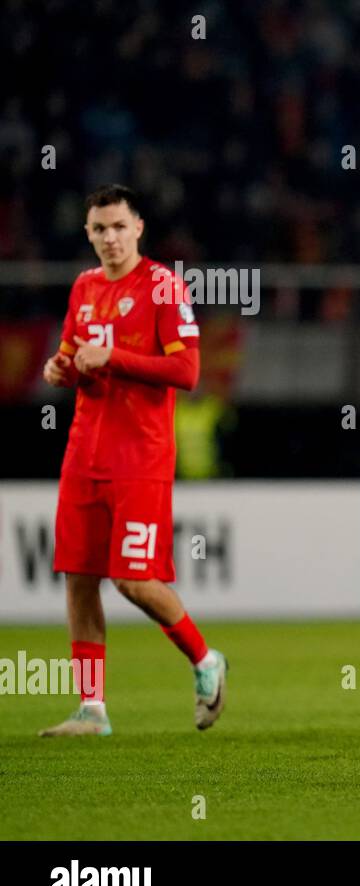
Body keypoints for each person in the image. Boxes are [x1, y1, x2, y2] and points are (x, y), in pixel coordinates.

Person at [39, 184, 228, 737]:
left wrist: (113, 358)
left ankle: (204, 659)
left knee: (132, 579)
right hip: (84, 452)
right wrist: (61, 369)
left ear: (138, 228)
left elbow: (188, 372)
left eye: (119, 226)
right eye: (99, 229)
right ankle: (92, 709)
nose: (110, 238)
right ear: (88, 234)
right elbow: (75, 358)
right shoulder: (84, 288)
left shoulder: (165, 288)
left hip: (140, 455)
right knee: (78, 578)